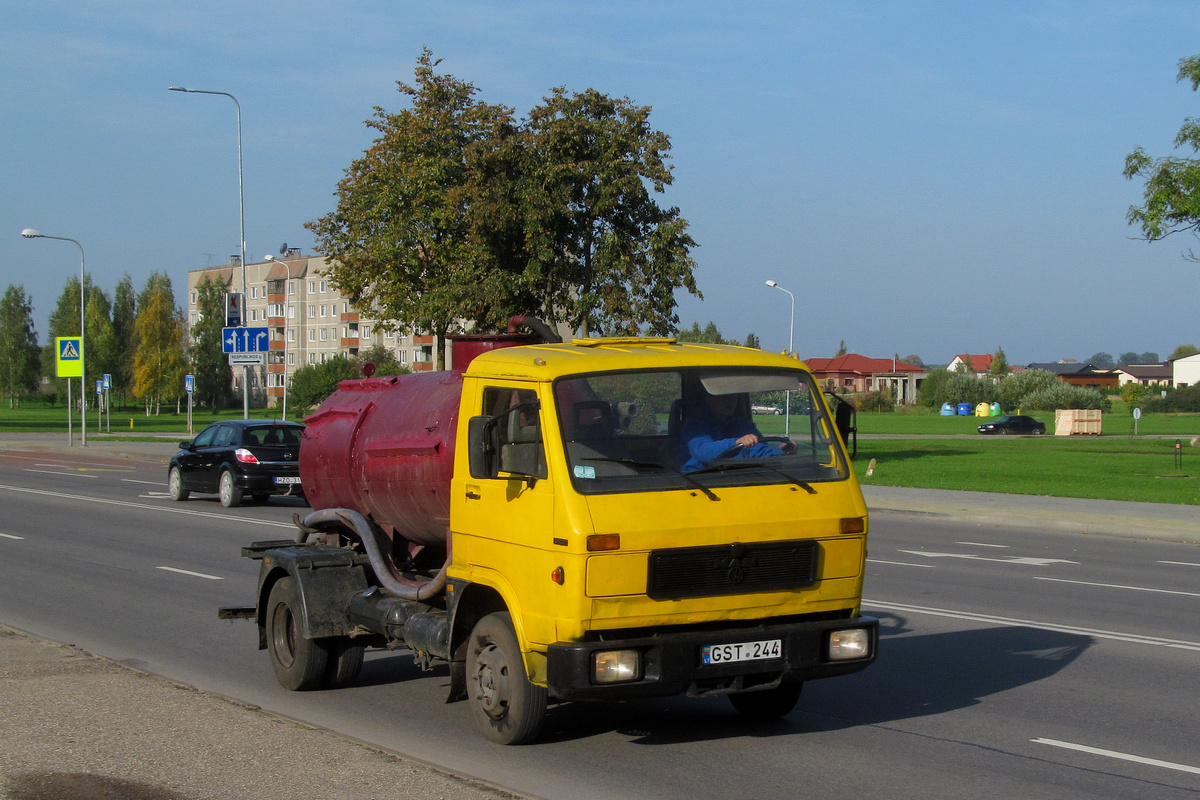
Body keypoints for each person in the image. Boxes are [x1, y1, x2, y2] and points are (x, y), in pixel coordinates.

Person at [680, 390, 793, 473]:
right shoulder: (694, 425)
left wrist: (780, 450)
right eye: (724, 396)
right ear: (708, 398)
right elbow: (703, 451)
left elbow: (758, 450)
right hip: (699, 479)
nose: (730, 401)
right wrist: (736, 443)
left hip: (739, 477)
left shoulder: (742, 424)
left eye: (733, 396)